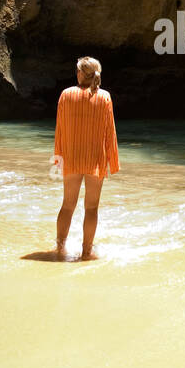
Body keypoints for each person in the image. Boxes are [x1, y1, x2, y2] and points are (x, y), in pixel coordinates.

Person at [52, 55, 119, 260]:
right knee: (91, 208)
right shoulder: (105, 97)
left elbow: (60, 130)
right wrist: (112, 162)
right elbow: (110, 132)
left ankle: (60, 248)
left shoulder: (66, 94)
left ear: (81, 74)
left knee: (67, 205)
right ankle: (87, 252)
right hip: (95, 160)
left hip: (71, 158)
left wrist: (57, 160)